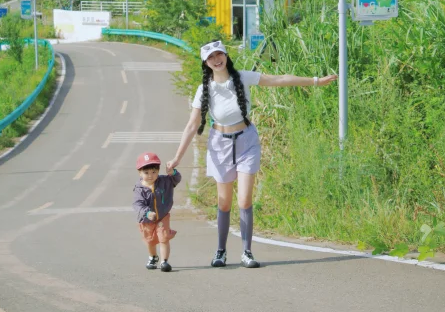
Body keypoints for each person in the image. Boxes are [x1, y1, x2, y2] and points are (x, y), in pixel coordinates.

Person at [167, 39, 337, 269]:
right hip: (219, 144)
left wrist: (316, 81)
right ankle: (221, 251)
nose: (216, 60)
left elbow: (278, 79)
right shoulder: (204, 88)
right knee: (224, 202)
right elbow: (191, 125)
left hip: (247, 141)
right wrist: (177, 157)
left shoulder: (243, 77)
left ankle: (247, 252)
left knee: (245, 199)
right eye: (211, 57)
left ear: (226, 56)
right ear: (205, 63)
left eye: (219, 55)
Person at [133, 152, 182, 272]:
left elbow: (176, 179)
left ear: (158, 171)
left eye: (154, 172)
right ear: (140, 172)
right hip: (146, 219)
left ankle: (164, 261)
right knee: (150, 240)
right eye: (146, 173)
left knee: (163, 238)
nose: (150, 175)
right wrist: (147, 213)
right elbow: (137, 204)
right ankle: (153, 256)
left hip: (162, 216)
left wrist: (173, 172)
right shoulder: (139, 189)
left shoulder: (165, 182)